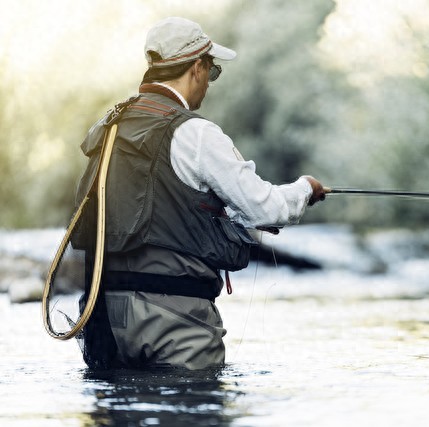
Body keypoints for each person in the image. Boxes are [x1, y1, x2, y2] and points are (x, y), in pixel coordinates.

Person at [74, 17, 326, 370]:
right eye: (213, 71)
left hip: (103, 317)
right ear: (197, 67)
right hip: (174, 319)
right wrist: (305, 190)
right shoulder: (196, 134)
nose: (209, 82)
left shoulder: (109, 126)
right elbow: (264, 209)